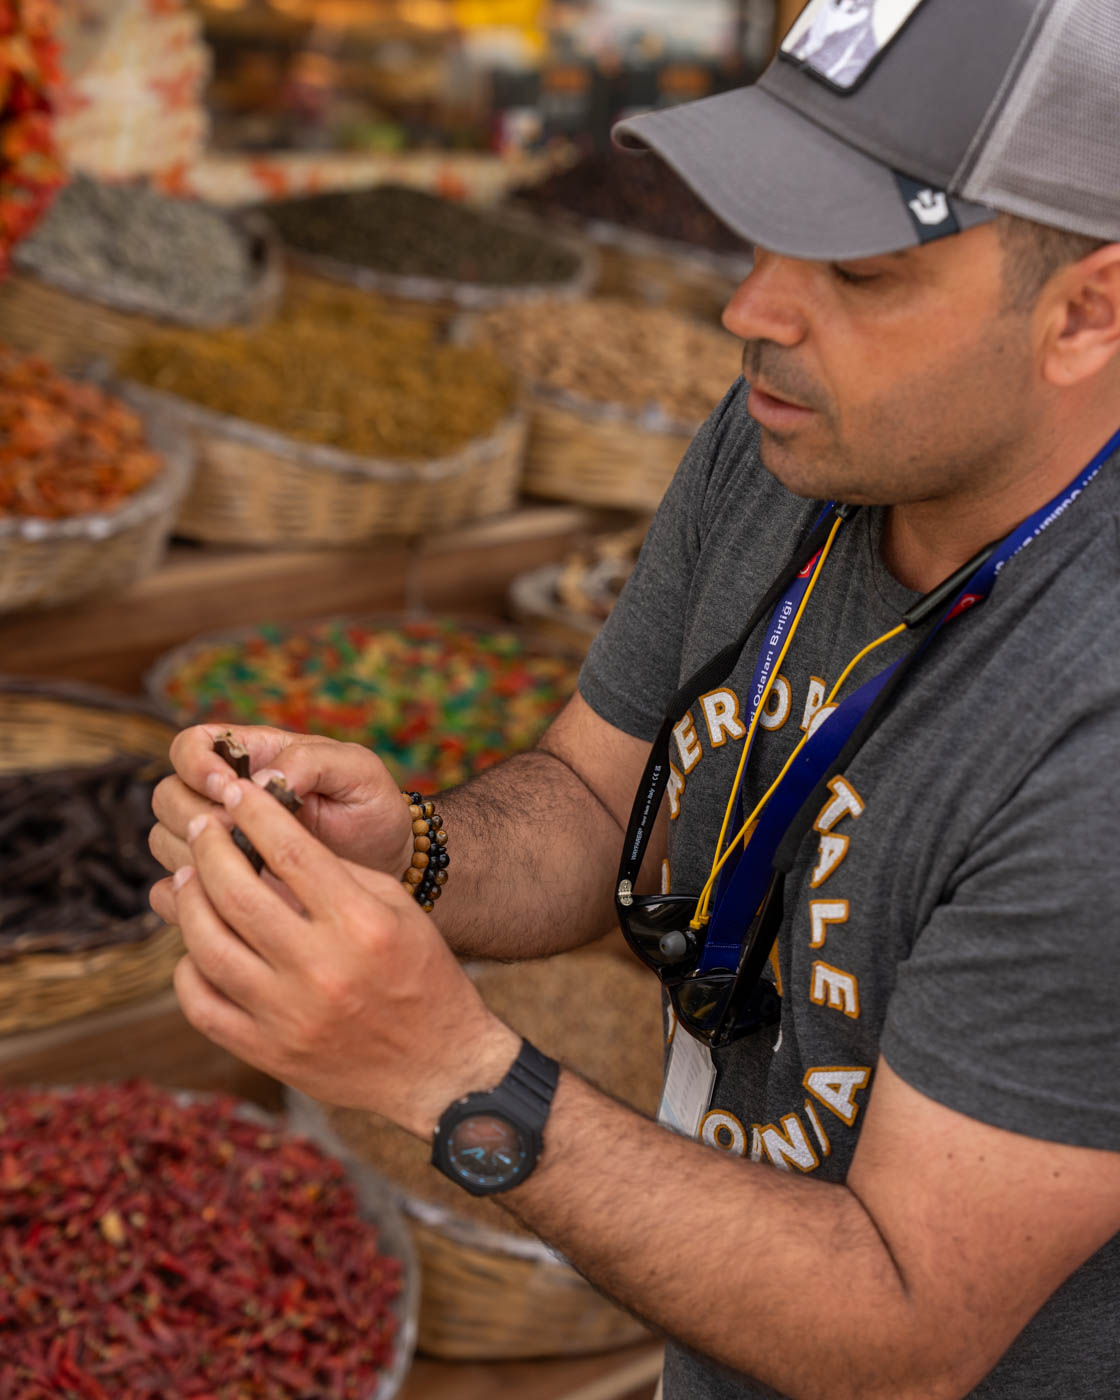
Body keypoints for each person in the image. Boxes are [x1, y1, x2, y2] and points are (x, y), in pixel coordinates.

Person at [148, 2, 1120, 1396]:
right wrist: (413, 850)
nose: (752, 310)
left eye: (855, 266)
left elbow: (906, 1325)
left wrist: (449, 1072)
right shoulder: (794, 439)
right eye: (765, 222)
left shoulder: (1096, 723)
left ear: (1088, 312)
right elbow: (605, 797)